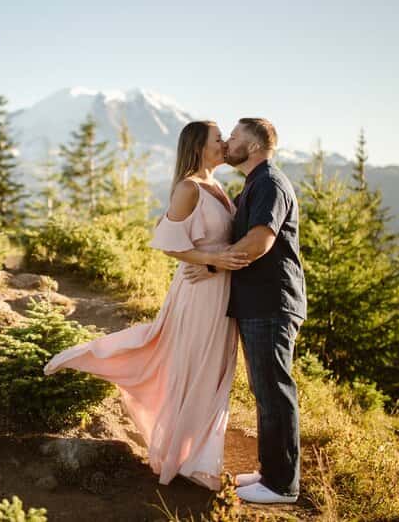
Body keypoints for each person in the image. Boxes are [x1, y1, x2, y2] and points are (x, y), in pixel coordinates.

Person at [43, 120, 248, 490]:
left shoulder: (215, 185)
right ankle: (189, 458)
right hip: (200, 291)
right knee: (197, 367)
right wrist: (209, 261)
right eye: (218, 139)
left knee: (214, 369)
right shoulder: (189, 187)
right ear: (199, 147)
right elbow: (169, 243)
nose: (224, 144)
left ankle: (196, 454)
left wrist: (218, 261)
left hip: (219, 288)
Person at [184, 117, 306, 504]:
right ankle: (271, 472)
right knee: (266, 389)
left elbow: (259, 242)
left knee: (274, 390)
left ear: (253, 147)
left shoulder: (269, 183)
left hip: (272, 301)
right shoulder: (255, 183)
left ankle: (282, 486)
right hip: (260, 302)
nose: (228, 143)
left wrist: (211, 265)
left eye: (234, 137)